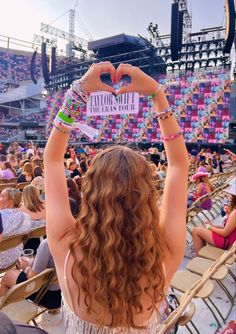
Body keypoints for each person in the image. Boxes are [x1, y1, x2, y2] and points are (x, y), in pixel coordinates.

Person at [44, 62, 189, 332]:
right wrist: (157, 95)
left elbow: (52, 160)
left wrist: (78, 93)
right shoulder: (166, 252)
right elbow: (179, 165)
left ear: (90, 192)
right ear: (146, 196)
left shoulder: (64, 244)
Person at [0, 239, 62, 310]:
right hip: (64, 295)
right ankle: (54, 311)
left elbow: (31, 278)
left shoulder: (47, 244)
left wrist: (26, 267)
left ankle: (2, 315)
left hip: (47, 296)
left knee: (7, 277)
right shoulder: (74, 240)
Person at [192, 182, 236, 254]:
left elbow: (225, 233)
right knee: (199, 230)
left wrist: (209, 227)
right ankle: (201, 255)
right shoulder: (234, 211)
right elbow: (228, 229)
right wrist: (213, 226)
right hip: (228, 241)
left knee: (196, 231)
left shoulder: (235, 213)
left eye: (230, 194)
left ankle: (199, 257)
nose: (228, 195)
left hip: (226, 243)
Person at [0, 188, 31, 270]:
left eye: (1, 196)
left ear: (10, 202)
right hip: (15, 258)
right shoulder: (26, 217)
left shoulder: (2, 217)